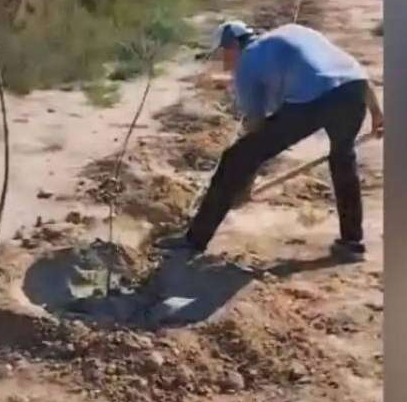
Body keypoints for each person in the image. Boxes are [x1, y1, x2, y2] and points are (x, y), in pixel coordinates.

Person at [159, 20, 384, 259]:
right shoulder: (295, 31)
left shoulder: (247, 62)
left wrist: (244, 182)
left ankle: (194, 240)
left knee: (235, 159)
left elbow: (256, 128)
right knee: (343, 160)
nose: (225, 63)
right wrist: (377, 113)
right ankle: (351, 243)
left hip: (314, 100)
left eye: (224, 55)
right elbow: (351, 70)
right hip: (353, 92)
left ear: (234, 45)